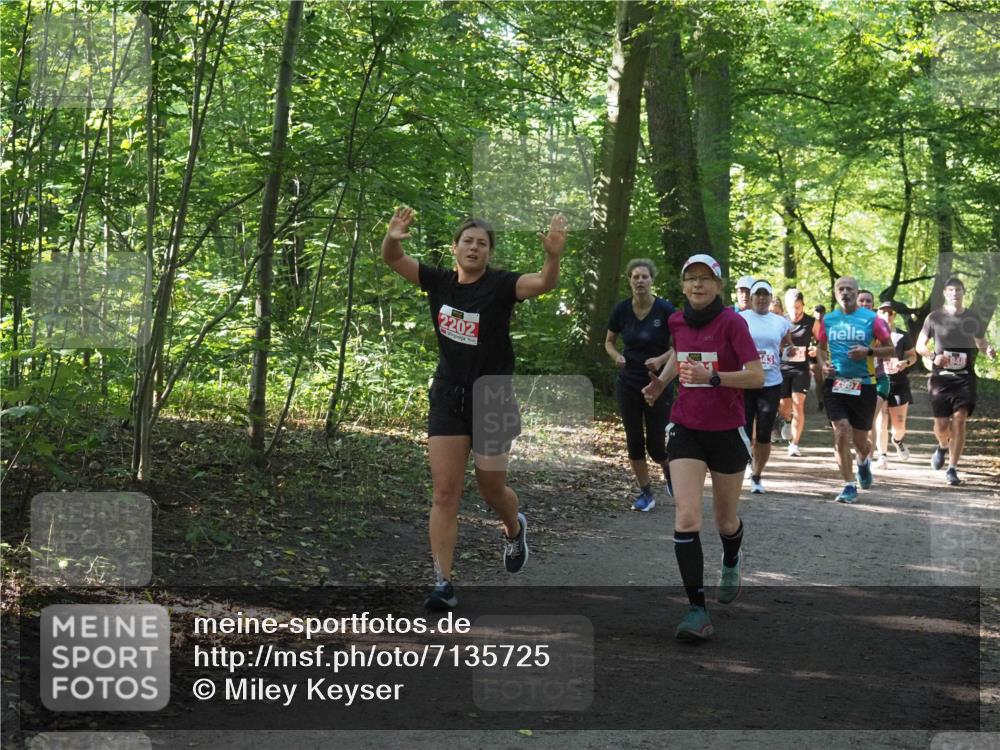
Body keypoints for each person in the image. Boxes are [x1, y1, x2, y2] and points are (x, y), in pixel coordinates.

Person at [381, 207, 567, 609]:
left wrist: (552, 256)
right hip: (449, 395)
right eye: (468, 241)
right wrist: (393, 236)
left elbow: (544, 283)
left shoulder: (501, 285)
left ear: (488, 253)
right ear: (455, 248)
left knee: (490, 487)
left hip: (493, 398)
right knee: (445, 492)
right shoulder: (439, 282)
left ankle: (514, 528)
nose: (474, 247)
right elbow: (393, 259)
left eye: (482, 243)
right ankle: (442, 584)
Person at [642, 254, 764, 641]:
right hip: (687, 427)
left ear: (719, 285)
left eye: (706, 279)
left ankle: (732, 557)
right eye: (690, 278)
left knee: (725, 521)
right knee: (687, 517)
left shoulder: (733, 322)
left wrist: (714, 378)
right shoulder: (677, 321)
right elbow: (680, 355)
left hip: (727, 430)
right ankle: (697, 610)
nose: (698, 285)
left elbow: (756, 376)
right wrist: (661, 383)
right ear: (682, 285)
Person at [815, 277, 895, 503]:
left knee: (861, 441)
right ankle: (849, 484)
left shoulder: (871, 320)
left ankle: (863, 461)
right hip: (836, 383)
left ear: (857, 292)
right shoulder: (829, 320)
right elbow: (820, 348)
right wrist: (823, 364)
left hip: (864, 384)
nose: (845, 292)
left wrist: (868, 352)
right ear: (835, 293)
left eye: (849, 289)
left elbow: (891, 350)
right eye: (841, 289)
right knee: (841, 430)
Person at [606, 259, 676, 511]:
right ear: (629, 280)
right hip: (628, 381)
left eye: (644, 277)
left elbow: (678, 347)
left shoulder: (665, 310)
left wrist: (660, 359)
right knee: (633, 439)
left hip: (658, 382)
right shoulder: (622, 310)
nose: (640, 281)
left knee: (656, 445)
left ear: (651, 280)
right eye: (635, 277)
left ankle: (668, 469)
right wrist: (617, 357)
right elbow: (609, 342)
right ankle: (646, 492)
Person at [915, 277, 996, 486]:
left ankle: (952, 468)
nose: (955, 294)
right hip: (940, 378)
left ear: (963, 292)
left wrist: (987, 350)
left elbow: (980, 341)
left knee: (959, 419)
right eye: (951, 290)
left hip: (964, 377)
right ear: (945, 293)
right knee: (942, 425)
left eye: (958, 290)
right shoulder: (934, 318)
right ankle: (942, 445)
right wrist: (933, 357)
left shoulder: (972, 318)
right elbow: (919, 346)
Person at [739, 281, 792, 493]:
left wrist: (784, 354)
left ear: (771, 298)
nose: (761, 298)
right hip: (744, 381)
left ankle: (757, 475)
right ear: (751, 298)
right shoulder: (741, 319)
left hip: (770, 382)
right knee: (743, 428)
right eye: (757, 295)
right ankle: (743, 462)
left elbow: (788, 345)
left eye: (765, 295)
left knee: (763, 431)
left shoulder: (780, 322)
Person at [876, 300, 917, 463]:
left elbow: (913, 356)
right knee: (881, 419)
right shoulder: (871, 335)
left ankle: (898, 440)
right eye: (883, 312)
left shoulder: (902, 335)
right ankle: (882, 455)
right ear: (877, 314)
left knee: (899, 425)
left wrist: (904, 363)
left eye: (890, 312)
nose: (886, 315)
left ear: (894, 315)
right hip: (879, 380)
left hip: (898, 382)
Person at [778, 288, 816, 457]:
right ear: (786, 306)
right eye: (792, 307)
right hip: (783, 369)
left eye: (798, 307)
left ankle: (794, 444)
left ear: (803, 305)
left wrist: (815, 351)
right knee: (784, 407)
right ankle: (786, 420)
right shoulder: (780, 321)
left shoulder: (812, 322)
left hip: (801, 369)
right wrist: (783, 349)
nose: (795, 311)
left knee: (798, 405)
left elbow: (822, 342)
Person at [857, 290, 893, 469]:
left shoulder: (879, 324)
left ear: (873, 304)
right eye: (861, 301)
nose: (865, 304)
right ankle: (863, 453)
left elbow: (891, 351)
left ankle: (867, 462)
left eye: (868, 301)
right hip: (856, 380)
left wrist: (871, 352)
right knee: (857, 422)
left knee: (870, 416)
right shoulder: (850, 324)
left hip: (879, 379)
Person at [811, 304, 827, 412]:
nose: (819, 314)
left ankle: (827, 400)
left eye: (821, 312)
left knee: (826, 379)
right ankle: (820, 401)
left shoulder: (828, 324)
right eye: (817, 311)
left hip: (825, 353)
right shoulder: (810, 324)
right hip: (814, 355)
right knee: (818, 380)